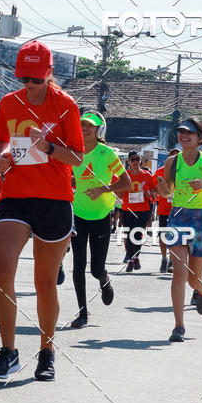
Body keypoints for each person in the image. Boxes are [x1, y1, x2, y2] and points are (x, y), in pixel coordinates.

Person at [0, 40, 84, 381]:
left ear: (49, 74)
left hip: (54, 200)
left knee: (44, 283)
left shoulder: (66, 106)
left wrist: (50, 147)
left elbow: (77, 157)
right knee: (1, 273)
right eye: (24, 78)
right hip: (15, 195)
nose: (28, 85)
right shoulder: (8, 103)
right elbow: (1, 142)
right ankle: (8, 351)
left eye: (35, 79)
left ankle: (46, 351)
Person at [70, 111, 130, 329]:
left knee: (95, 268)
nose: (86, 128)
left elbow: (127, 183)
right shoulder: (73, 152)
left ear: (99, 130)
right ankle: (82, 313)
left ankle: (104, 279)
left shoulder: (106, 153)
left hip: (102, 216)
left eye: (91, 126)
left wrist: (104, 189)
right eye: (83, 124)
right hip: (77, 215)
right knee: (78, 266)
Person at [155, 118, 202, 343]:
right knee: (178, 273)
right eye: (181, 132)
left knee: (192, 280)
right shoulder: (172, 162)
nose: (184, 135)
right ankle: (178, 325)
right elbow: (167, 191)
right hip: (178, 219)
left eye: (189, 132)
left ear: (200, 138)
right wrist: (162, 190)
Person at [121, 151, 156, 272]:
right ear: (129, 162)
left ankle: (135, 257)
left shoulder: (146, 175)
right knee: (129, 234)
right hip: (127, 208)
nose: (135, 162)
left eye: (137, 159)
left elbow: (154, 188)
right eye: (133, 160)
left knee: (137, 233)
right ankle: (131, 259)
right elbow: (118, 190)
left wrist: (149, 193)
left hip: (142, 209)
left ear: (140, 161)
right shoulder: (125, 175)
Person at [155, 149, 179, 273]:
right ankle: (164, 258)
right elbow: (154, 188)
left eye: (177, 156)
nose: (174, 159)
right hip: (164, 209)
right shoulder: (160, 172)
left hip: (178, 209)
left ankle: (171, 260)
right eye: (172, 156)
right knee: (163, 235)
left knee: (175, 236)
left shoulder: (182, 171)